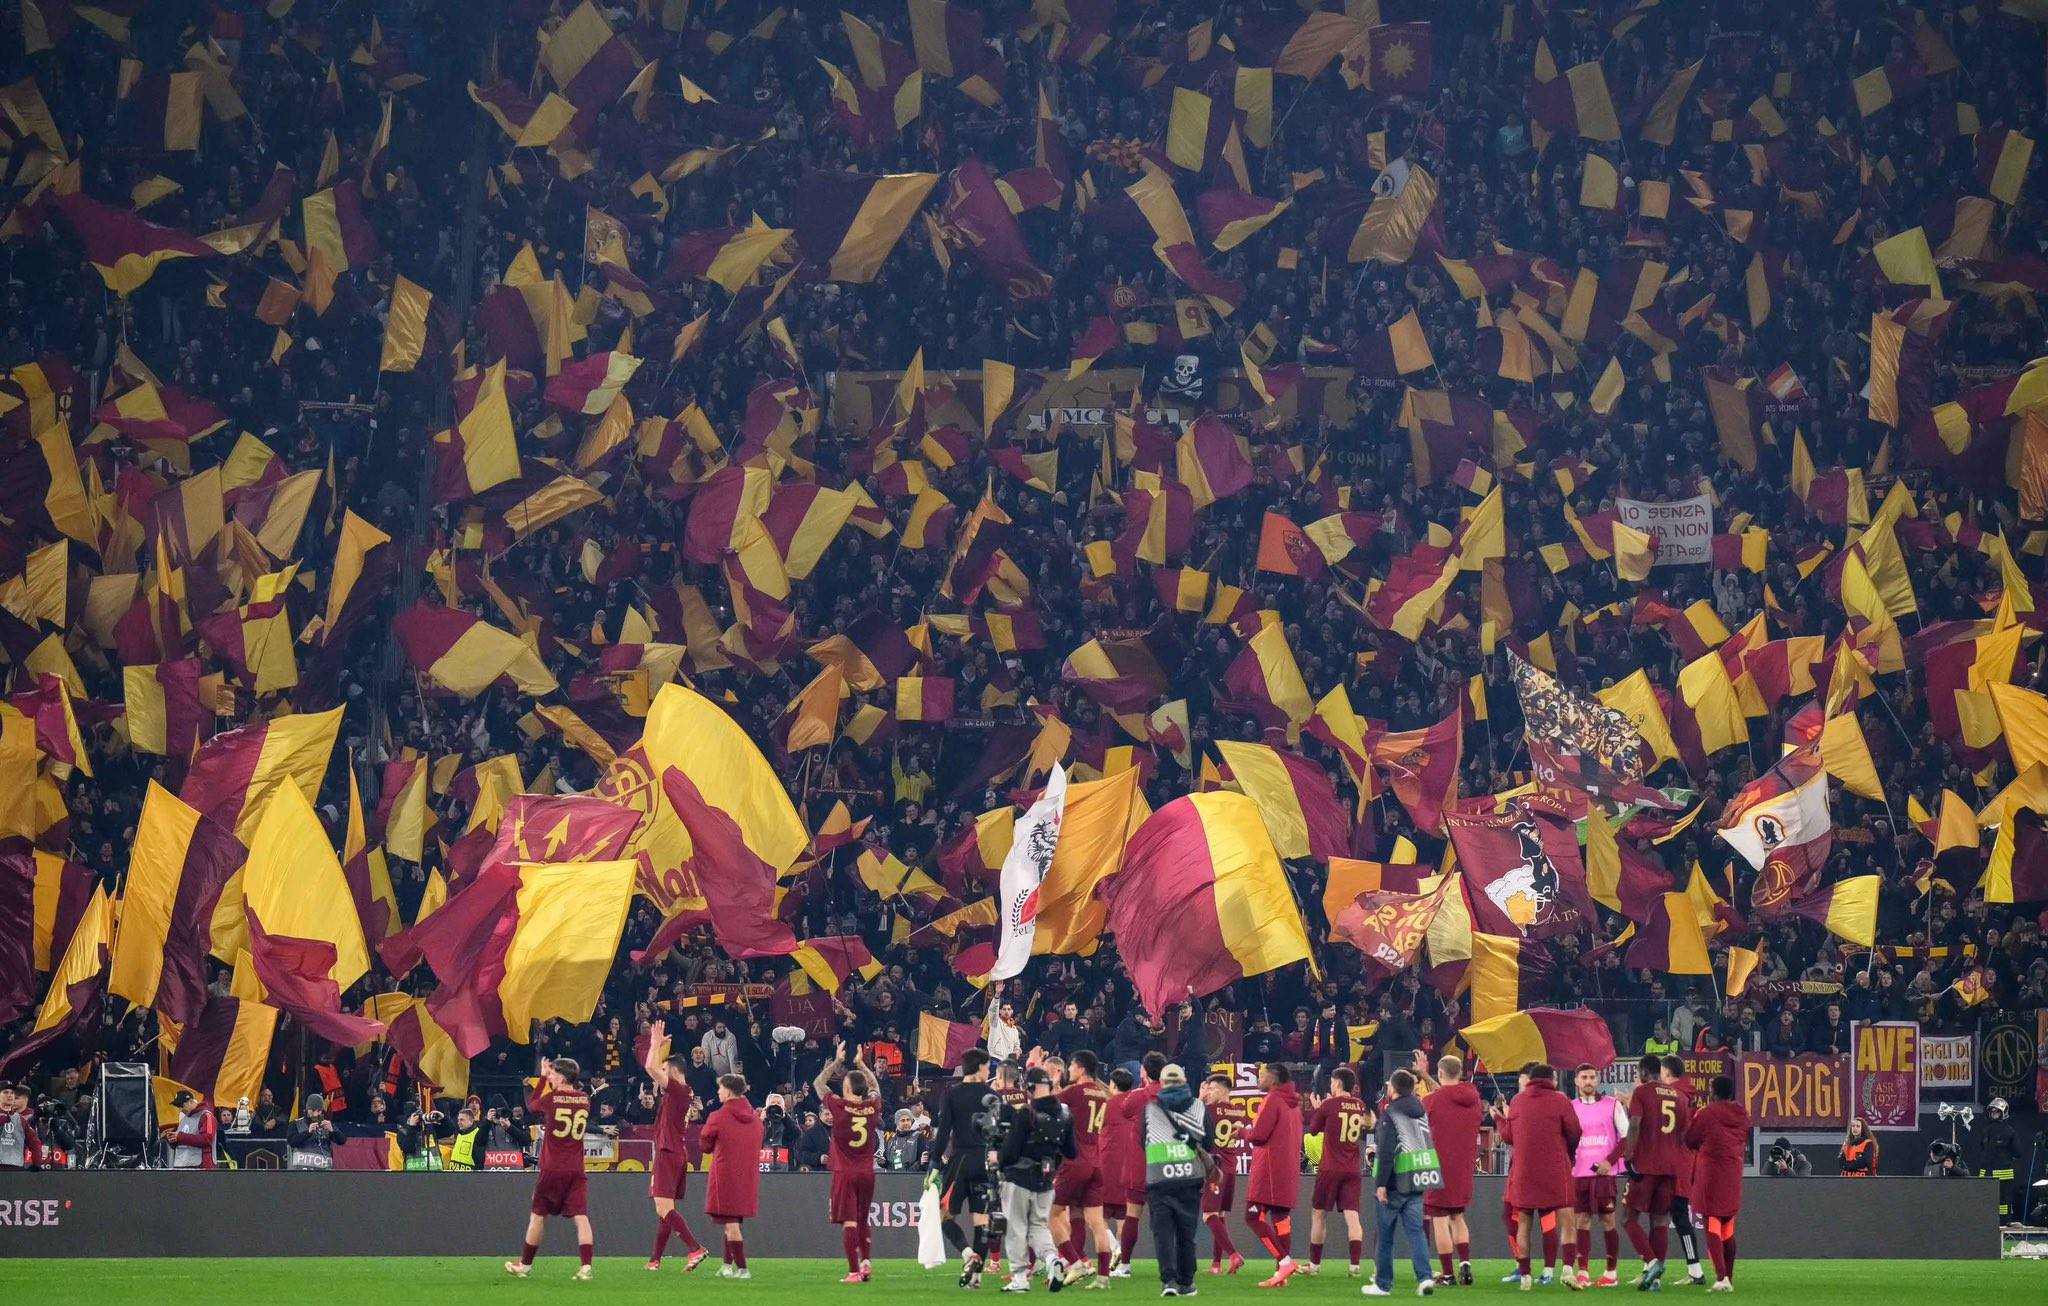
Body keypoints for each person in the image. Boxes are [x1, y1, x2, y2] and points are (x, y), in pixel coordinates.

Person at [506, 1057, 595, 1281]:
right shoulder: (584, 1099)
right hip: (576, 1168)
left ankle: (525, 1265)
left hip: (553, 1167)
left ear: (562, 1077)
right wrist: (548, 1077)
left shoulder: (552, 1098)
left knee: (538, 1216)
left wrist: (542, 1079)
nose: (551, 1077)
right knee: (581, 1217)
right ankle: (586, 1267)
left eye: (554, 1074)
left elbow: (533, 1105)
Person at [997, 1065, 1077, 1293]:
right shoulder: (1065, 1113)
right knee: (1039, 1227)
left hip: (1019, 1179)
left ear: (1029, 1087)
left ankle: (1020, 1278)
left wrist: (999, 1160)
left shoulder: (1026, 1113)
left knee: (1016, 1229)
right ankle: (1053, 1261)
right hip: (1046, 1180)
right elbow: (1071, 1152)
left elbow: (1011, 1151)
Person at [1501, 1063, 1580, 1292]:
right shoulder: (1560, 1100)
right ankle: (1567, 1270)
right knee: (1567, 1218)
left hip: (1524, 1170)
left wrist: (1502, 1120)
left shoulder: (1517, 1101)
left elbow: (1508, 1136)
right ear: (1551, 1080)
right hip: (1556, 1168)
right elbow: (1575, 1131)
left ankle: (1525, 1276)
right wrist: (1568, 1152)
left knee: (1524, 1223)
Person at [1364, 1068, 1439, 1299]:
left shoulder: (1391, 1114)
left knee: (1385, 1236)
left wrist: (1381, 1184)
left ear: (1394, 1088)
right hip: (1417, 1178)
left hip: (1395, 1182)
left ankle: (1383, 1284)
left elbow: (1386, 1151)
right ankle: (1425, 1277)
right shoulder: (1420, 1110)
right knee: (1416, 1232)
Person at [642, 1021, 708, 1273]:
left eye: (665, 1070)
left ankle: (695, 1248)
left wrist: (654, 1044)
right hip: (677, 1151)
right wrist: (659, 1048)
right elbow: (654, 1067)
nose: (660, 1073)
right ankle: (655, 1259)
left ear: (673, 1071)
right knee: (666, 1209)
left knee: (663, 1208)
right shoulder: (682, 1092)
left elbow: (650, 1067)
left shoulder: (679, 1090)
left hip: (668, 1151)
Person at [1142, 1063, 1212, 1298]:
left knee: (1163, 1234)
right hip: (1190, 1179)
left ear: (1161, 1084)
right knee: (1186, 1234)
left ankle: (1168, 1281)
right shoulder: (1199, 1107)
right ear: (1184, 1081)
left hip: (1159, 1179)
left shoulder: (1151, 1109)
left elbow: (1142, 1141)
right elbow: (1209, 1144)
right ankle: (1186, 1282)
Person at [815, 1040, 882, 1283]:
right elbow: (875, 1087)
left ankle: (853, 1271)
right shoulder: (872, 1107)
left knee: (850, 1221)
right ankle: (866, 1262)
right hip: (867, 1173)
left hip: (845, 1173)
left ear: (847, 1088)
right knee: (863, 1219)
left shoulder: (839, 1106)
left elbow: (818, 1083)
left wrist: (836, 1062)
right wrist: (861, 1064)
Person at [933, 1046, 1000, 1284]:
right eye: (988, 1067)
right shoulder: (992, 1096)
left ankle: (968, 1254)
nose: (989, 1071)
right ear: (980, 1067)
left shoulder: (952, 1094)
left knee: (943, 1214)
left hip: (960, 1161)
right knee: (981, 1221)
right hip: (985, 1162)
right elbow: (999, 1133)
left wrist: (935, 1162)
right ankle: (976, 1278)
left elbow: (943, 1132)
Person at [1620, 1055, 1685, 1291]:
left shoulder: (1642, 1092)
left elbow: (1635, 1124)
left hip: (1645, 1165)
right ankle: (1655, 1280)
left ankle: (1652, 1262)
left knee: (1628, 1217)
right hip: (1671, 1167)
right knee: (1660, 1220)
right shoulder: (1679, 1096)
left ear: (1644, 1072)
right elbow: (1684, 1132)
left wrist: (1628, 1156)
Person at [1052, 1049, 1116, 1287]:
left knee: (1049, 1214)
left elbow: (1049, 1105)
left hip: (1075, 1161)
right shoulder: (1102, 1093)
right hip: (1096, 1162)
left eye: (1071, 1065)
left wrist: (1052, 1082)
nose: (1068, 1069)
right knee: (1095, 1222)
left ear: (1080, 1068)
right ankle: (1103, 1277)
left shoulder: (1076, 1091)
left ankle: (1075, 1262)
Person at [1417, 1052, 1482, 1287]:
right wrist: (1426, 1076)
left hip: (1438, 1167)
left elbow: (1435, 1102)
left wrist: (1422, 1077)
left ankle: (1447, 1274)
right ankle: (1465, 1264)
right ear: (1460, 1073)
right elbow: (1448, 1096)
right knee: (1458, 1216)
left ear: (1441, 1073)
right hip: (1463, 1168)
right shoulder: (1473, 1097)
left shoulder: (1431, 1101)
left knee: (1440, 1220)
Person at [1682, 1076, 1750, 1293]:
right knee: (1727, 1226)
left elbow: (1690, 1139)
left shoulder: (1707, 1113)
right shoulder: (1742, 1113)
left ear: (1714, 1091)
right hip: (1733, 1171)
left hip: (1711, 1172)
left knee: (1712, 1223)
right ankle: (1729, 1277)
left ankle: (1721, 1278)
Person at [1305, 1065, 1373, 1278]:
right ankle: (1355, 1267)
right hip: (1352, 1169)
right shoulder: (1360, 1105)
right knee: (1353, 1217)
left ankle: (1314, 1265)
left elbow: (1313, 1130)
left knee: (1319, 1214)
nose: (1331, 1086)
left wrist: (1318, 1108)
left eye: (1332, 1083)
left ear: (1338, 1084)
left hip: (1330, 1168)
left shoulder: (1329, 1105)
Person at [1565, 1065, 1627, 1289]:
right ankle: (1583, 1272)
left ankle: (1611, 1273)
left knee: (1608, 1220)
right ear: (1576, 1081)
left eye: (1592, 1077)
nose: (1589, 1081)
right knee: (1581, 1220)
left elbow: (1626, 1136)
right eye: (1584, 1077)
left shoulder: (1612, 1104)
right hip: (1579, 1173)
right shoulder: (1570, 1107)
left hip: (1604, 1174)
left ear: (1597, 1080)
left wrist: (1609, 1161)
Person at [1244, 1061, 1304, 1288]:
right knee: (1281, 1219)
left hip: (1268, 1170)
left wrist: (1243, 1132)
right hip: (1288, 1171)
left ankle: (1284, 1262)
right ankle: (1281, 1274)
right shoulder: (1295, 1105)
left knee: (1252, 1217)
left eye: (1262, 1075)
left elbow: (1258, 1135)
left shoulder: (1272, 1100)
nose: (1258, 1078)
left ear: (1273, 1080)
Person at [703, 1072, 765, 1279]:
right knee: (733, 1222)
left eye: (720, 1088)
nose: (718, 1092)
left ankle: (743, 1268)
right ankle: (726, 1266)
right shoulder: (756, 1119)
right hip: (748, 1177)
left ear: (728, 1092)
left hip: (725, 1175)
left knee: (730, 1224)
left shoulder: (718, 1117)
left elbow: (705, 1145)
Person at [1109, 1052, 1167, 1277]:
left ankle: (1124, 1265)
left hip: (1140, 1164)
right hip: (1166, 1165)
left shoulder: (1138, 1096)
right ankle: (1169, 1266)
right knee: (1165, 1218)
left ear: (1145, 1071)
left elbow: (1125, 1110)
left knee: (1132, 1215)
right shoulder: (1172, 1095)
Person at [1659, 1056, 1706, 1287]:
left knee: (1676, 1216)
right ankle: (1693, 1270)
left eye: (1662, 1072)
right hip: (1684, 1161)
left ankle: (1695, 1271)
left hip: (1674, 1163)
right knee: (1673, 1215)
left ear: (1666, 1073)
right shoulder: (1687, 1094)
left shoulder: (1671, 1095)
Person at [1199, 1074, 1249, 1276]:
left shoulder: (1209, 1110)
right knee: (1219, 1215)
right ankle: (1216, 1264)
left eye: (1211, 1088)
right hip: (1231, 1168)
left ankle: (1234, 1255)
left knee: (1208, 1215)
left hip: (1215, 1169)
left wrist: (1201, 1098)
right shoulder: (1239, 1112)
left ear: (1221, 1090)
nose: (1209, 1092)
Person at [1099, 1067, 1140, 1282]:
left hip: (1107, 1165)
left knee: (1098, 1216)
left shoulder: (1108, 1105)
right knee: (1125, 1216)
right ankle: (1125, 1263)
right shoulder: (1137, 1104)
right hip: (1131, 1167)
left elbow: (1095, 1130)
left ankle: (1115, 1249)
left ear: (1113, 1084)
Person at [167, 1089, 217, 1170]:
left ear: (190, 1102)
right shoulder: (183, 1120)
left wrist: (180, 1137)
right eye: (178, 1107)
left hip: (201, 1166)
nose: (180, 1109)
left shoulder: (206, 1116)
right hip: (182, 1165)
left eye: (182, 1106)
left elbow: (207, 1139)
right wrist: (173, 1140)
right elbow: (181, 1141)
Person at [0, 1084, 42, 1171]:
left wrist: (37, 1163)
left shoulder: (20, 1119)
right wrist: (37, 1163)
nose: (10, 1096)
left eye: (12, 1093)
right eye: (6, 1092)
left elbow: (34, 1142)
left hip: (15, 1168)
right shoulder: (20, 1119)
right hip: (13, 1166)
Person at [287, 1093, 337, 1165]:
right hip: (301, 1169)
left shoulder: (326, 1124)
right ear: (307, 1109)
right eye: (313, 1110)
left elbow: (341, 1141)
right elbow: (291, 1142)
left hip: (323, 1169)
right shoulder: (295, 1123)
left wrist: (333, 1131)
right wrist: (308, 1132)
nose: (315, 1114)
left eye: (319, 1110)